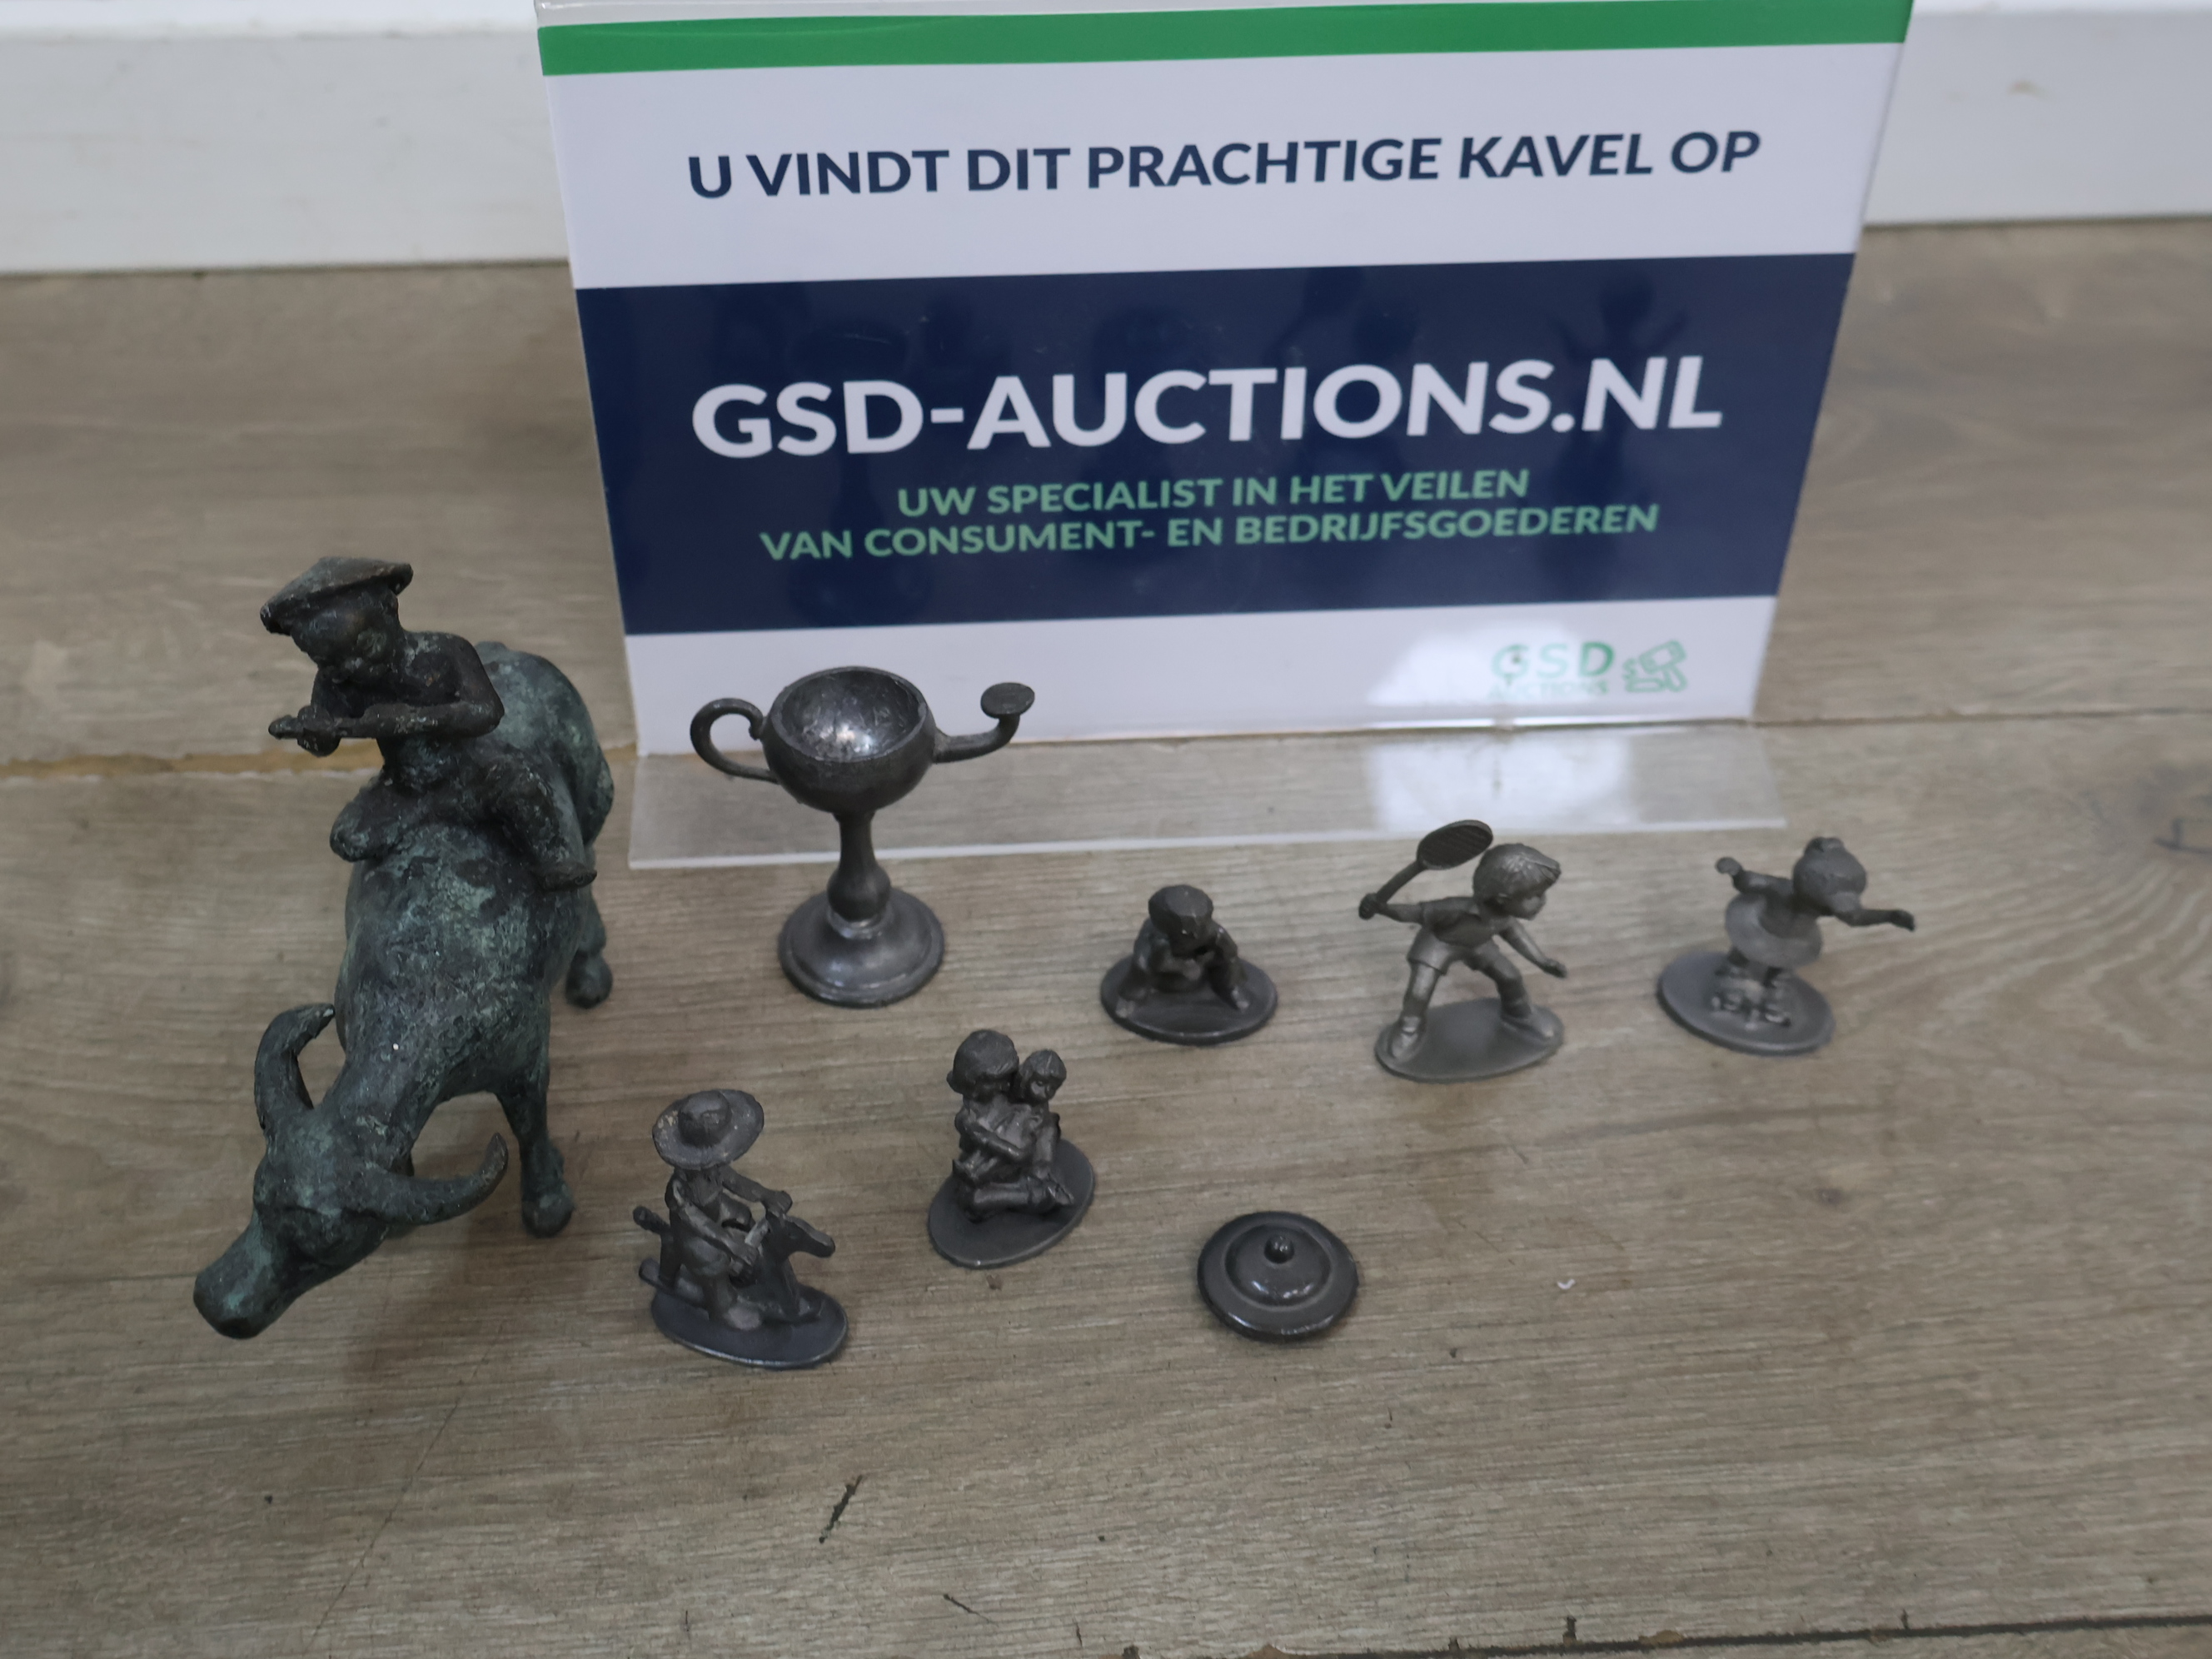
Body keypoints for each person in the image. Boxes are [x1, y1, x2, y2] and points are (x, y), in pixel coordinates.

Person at [261, 556, 595, 890]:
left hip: (469, 772)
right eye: (332, 663)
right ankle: (430, 816)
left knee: (522, 788)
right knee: (347, 838)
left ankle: (552, 862)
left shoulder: (444, 652)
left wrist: (415, 718)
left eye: (365, 646)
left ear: (389, 609)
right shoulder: (336, 683)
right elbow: (327, 741)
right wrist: (314, 735)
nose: (354, 667)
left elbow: (487, 711)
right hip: (405, 788)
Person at [1361, 841, 1568, 1061]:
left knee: (1511, 977)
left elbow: (1519, 939)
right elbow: (1415, 913)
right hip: (1437, 945)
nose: (1542, 901)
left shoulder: (1504, 918)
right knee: (1419, 992)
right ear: (1502, 899)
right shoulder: (1456, 909)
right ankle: (1409, 1027)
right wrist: (1384, 910)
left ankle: (1520, 1014)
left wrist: (1542, 961)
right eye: (1535, 895)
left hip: (1477, 944)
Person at [1709, 838, 1913, 1022]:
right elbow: (1750, 882)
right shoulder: (1781, 888)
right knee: (1744, 952)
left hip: (1795, 941)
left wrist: (1889, 916)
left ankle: (1775, 988)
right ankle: (1733, 973)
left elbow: (1855, 916)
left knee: (1783, 967)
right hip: (1761, 929)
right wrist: (1737, 872)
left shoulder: (1821, 907)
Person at [950, 1034, 1073, 1219]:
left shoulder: (1036, 1116)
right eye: (1040, 1084)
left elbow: (1027, 1155)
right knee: (974, 1198)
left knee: (977, 1200)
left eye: (1052, 1088)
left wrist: (993, 1142)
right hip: (994, 1164)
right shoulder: (988, 1102)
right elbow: (968, 1124)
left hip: (1021, 1165)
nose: (1046, 1093)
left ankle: (1033, 1194)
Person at [1106, 884, 1253, 1021]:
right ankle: (1132, 997)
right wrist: (1184, 966)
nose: (1195, 934)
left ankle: (1229, 988)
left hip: (1199, 963)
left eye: (1199, 928)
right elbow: (1150, 960)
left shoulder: (1212, 932)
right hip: (1166, 969)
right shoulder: (1155, 936)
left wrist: (1208, 958)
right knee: (1141, 966)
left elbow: (1229, 950)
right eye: (1188, 931)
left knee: (1228, 958)